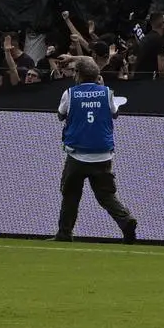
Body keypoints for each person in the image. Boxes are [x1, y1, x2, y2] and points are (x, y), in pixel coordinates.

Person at [55, 56, 140, 242]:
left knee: (70, 195)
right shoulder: (106, 93)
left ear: (78, 75)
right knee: (107, 195)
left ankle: (64, 233)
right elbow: (115, 114)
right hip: (102, 155)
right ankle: (126, 220)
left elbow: (60, 115)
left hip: (77, 154)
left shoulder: (70, 93)